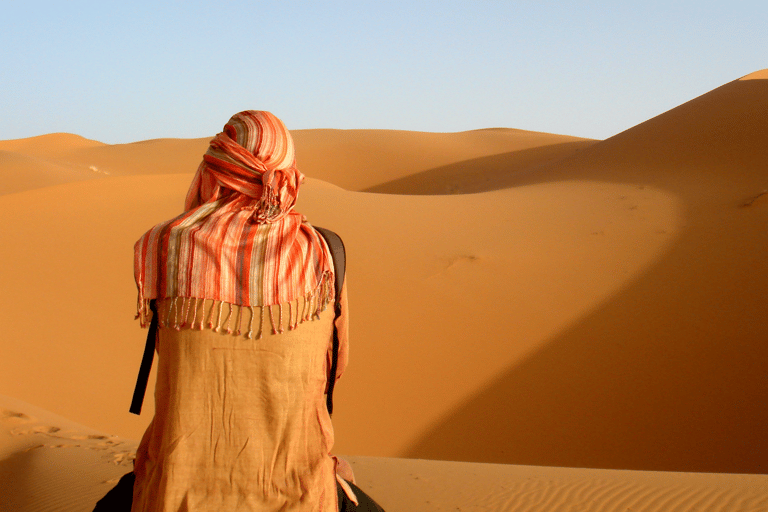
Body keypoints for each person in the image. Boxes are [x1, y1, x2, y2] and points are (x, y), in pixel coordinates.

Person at [128, 111, 384, 511]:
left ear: (214, 168)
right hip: (298, 492)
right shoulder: (323, 254)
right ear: (286, 172)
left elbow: (171, 356)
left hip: (174, 491)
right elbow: (334, 369)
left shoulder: (164, 246)